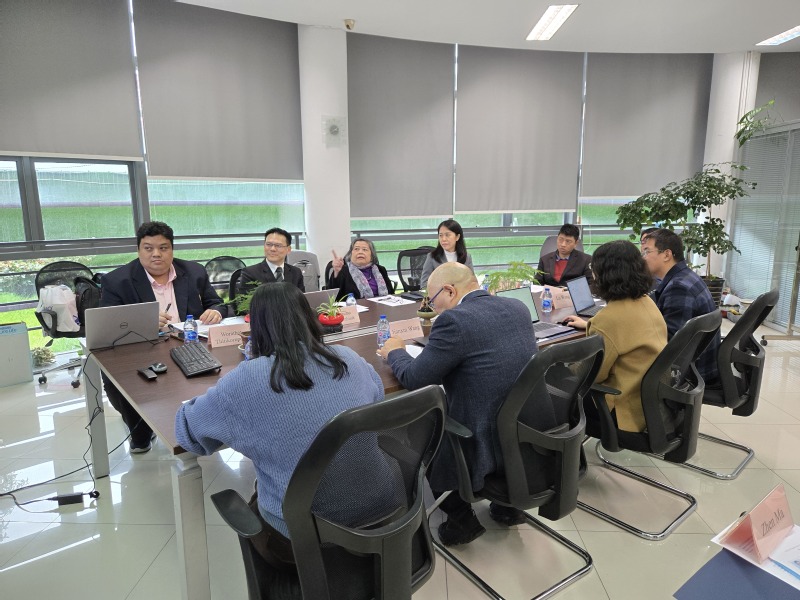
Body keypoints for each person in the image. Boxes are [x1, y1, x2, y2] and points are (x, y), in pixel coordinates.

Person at [175, 283, 390, 572]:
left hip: (302, 536)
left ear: (257, 328)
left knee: (259, 498)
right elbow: (377, 396)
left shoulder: (246, 380)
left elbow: (188, 434)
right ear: (308, 317)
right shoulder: (347, 357)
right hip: (382, 510)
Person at [378, 262, 553, 547]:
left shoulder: (454, 321)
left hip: (483, 443)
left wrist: (394, 351)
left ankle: (460, 520)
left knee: (421, 423)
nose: (433, 308)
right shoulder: (517, 307)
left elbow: (415, 378)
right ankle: (506, 508)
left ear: (449, 290)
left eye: (432, 300)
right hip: (525, 435)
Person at [100, 221, 228, 453]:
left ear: (172, 249)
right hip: (142, 349)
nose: (156, 254)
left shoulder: (194, 271)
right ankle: (140, 432)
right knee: (120, 382)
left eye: (163, 248)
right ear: (138, 249)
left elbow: (216, 302)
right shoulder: (117, 281)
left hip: (189, 345)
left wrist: (216, 311)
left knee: (224, 371)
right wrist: (143, 321)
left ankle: (206, 426)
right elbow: (107, 325)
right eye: (148, 248)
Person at [562, 240, 667, 433]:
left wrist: (562, 365)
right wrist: (591, 326)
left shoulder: (609, 319)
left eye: (593, 268)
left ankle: (557, 448)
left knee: (553, 385)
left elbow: (592, 375)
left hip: (621, 410)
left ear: (605, 274)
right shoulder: (646, 301)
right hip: (648, 402)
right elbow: (623, 331)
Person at [641, 229, 721, 387]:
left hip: (689, 375)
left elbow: (669, 344)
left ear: (666, 255)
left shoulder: (678, 288)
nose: (643, 258)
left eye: (647, 252)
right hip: (699, 366)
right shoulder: (686, 276)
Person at [236, 227, 305, 298]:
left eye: (278, 245)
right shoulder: (250, 273)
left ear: (288, 249)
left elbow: (302, 301)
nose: (272, 249)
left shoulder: (296, 272)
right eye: (268, 244)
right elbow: (247, 303)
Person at [327, 238, 394, 299]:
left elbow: (391, 294)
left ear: (371, 255)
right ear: (351, 253)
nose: (360, 252)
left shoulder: (381, 270)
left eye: (364, 249)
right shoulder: (343, 270)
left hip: (382, 306)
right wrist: (336, 272)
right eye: (356, 249)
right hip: (354, 307)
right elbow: (331, 297)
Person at [419, 219, 474, 290]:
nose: (443, 239)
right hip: (439, 296)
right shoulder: (432, 257)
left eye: (447, 235)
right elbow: (424, 284)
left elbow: (472, 282)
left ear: (457, 237)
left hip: (461, 295)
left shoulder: (466, 257)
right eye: (440, 235)